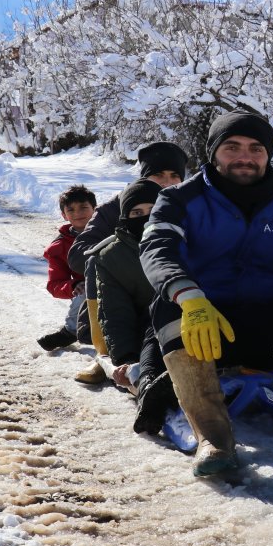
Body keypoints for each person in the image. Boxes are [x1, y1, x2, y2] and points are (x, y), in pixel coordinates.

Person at [140, 109, 273, 476]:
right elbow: (157, 249)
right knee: (167, 311)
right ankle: (213, 436)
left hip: (272, 321)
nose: (245, 157)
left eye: (256, 148)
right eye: (232, 147)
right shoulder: (181, 198)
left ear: (268, 155)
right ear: (214, 152)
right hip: (203, 320)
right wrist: (188, 295)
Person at [71, 142, 188, 383]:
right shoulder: (118, 207)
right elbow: (78, 254)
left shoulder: (188, 203)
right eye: (158, 175)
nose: (166, 182)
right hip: (123, 291)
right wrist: (127, 244)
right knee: (97, 257)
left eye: (174, 176)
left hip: (170, 296)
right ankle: (104, 353)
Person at [95, 179, 162, 393]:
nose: (146, 218)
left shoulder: (187, 239)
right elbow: (116, 313)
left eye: (153, 210)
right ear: (126, 218)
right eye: (137, 213)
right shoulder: (113, 257)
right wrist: (128, 359)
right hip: (146, 336)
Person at [37, 184, 97, 351]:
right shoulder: (59, 247)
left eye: (84, 207)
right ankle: (71, 331)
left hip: (119, 278)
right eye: (71, 210)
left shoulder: (111, 230)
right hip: (90, 290)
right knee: (85, 288)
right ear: (64, 215)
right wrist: (72, 286)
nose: (78, 214)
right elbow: (54, 285)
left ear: (95, 209)